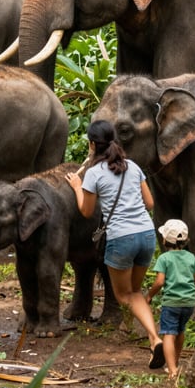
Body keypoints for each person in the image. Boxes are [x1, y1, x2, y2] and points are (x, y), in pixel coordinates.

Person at [66, 119, 165, 369]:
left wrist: (77, 187)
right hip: (146, 234)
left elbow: (86, 211)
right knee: (135, 291)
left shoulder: (93, 174)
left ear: (92, 145)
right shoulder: (133, 166)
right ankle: (138, 332)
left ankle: (155, 339)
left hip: (121, 238)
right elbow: (150, 203)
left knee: (125, 295)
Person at [146, 219, 195, 380]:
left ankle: (172, 371)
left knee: (169, 334)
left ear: (165, 240)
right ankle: (175, 363)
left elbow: (159, 282)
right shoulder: (191, 258)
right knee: (180, 331)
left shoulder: (164, 258)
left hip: (171, 303)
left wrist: (149, 295)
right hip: (189, 303)